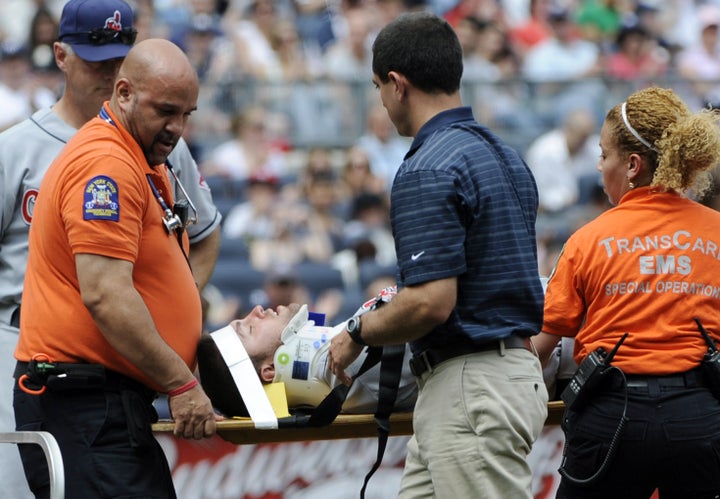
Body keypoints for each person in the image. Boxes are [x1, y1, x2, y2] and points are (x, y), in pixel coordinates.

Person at [0, 1, 222, 496]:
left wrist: (170, 322)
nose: (177, 127)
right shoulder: (101, 161)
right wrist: (182, 383)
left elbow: (203, 235)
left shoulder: (148, 150)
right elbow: (103, 293)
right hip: (63, 378)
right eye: (166, 112)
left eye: (186, 115)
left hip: (111, 387)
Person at [327, 12, 548, 498]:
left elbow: (430, 302)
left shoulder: (428, 166)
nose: (382, 102)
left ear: (397, 84)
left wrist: (356, 332)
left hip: (472, 387)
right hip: (498, 377)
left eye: (378, 87)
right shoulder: (505, 155)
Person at [534, 86, 720, 498]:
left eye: (604, 155)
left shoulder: (587, 239)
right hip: (702, 421)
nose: (599, 167)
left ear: (633, 165)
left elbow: (540, 348)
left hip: (612, 421)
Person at [197, 291, 417, 417]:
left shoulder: (344, 352)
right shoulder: (350, 365)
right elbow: (430, 303)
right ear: (270, 370)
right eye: (250, 328)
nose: (256, 310)